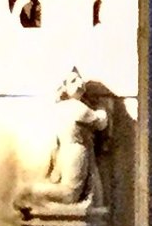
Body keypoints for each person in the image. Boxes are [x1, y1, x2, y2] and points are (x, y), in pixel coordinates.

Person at [15, 68, 109, 214]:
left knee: (69, 191)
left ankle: (33, 193)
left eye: (79, 79)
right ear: (65, 87)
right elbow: (101, 123)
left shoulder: (59, 108)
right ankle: (29, 191)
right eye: (73, 81)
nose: (79, 83)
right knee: (70, 194)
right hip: (76, 150)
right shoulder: (78, 107)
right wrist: (102, 109)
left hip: (63, 151)